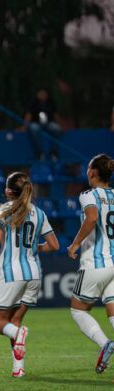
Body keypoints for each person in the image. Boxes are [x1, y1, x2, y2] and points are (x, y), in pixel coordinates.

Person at [0, 172, 57, 377]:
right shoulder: (39, 213)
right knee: (14, 320)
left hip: (9, 274)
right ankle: (18, 368)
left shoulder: (3, 211)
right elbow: (54, 245)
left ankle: (19, 334)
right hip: (33, 274)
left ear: (7, 191)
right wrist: (32, 248)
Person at [67, 154, 114, 373]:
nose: (87, 172)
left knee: (78, 310)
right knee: (113, 313)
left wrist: (75, 243)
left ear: (93, 172)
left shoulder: (88, 194)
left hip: (96, 263)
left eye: (88, 168)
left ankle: (105, 344)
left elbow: (92, 217)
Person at [23, 88, 62, 161]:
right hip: (36, 123)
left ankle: (53, 151)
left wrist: (61, 125)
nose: (43, 95)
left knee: (57, 128)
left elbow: (55, 115)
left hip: (48, 123)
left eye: (44, 93)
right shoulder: (33, 102)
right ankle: (39, 151)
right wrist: (24, 126)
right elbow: (28, 115)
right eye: (41, 93)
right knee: (33, 128)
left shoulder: (50, 102)